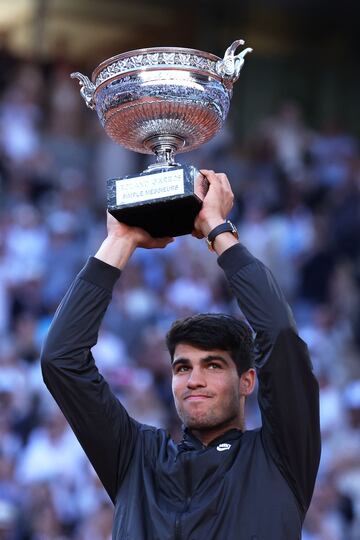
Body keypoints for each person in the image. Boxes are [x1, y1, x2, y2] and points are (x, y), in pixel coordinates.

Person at [41, 170, 321, 539]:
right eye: (182, 367)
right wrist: (120, 240)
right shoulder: (136, 459)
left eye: (214, 365)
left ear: (247, 380)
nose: (194, 380)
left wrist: (217, 229)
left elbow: (280, 335)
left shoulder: (278, 456)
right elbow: (60, 358)